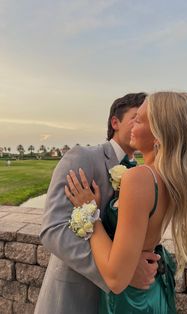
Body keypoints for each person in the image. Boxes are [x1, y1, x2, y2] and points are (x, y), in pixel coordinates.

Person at [65, 91, 187, 313]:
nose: (132, 126)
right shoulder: (171, 178)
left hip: (130, 301)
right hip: (153, 291)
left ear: (158, 134)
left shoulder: (140, 178)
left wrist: (88, 209)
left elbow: (115, 277)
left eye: (138, 120)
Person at [35, 93, 159, 314]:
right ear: (115, 122)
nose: (145, 124)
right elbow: (53, 229)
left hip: (119, 303)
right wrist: (122, 272)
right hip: (75, 297)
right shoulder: (82, 157)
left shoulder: (142, 173)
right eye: (136, 117)